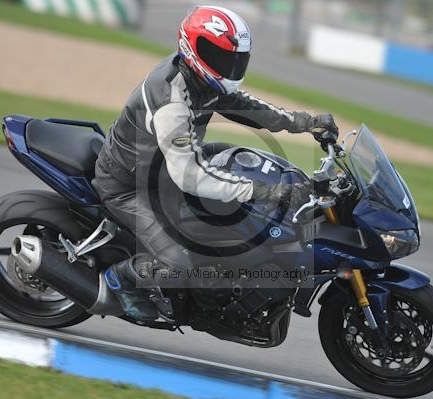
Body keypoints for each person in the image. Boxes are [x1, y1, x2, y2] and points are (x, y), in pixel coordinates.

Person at [92, 5, 338, 322]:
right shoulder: (172, 100)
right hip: (131, 185)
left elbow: (249, 107)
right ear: (193, 48)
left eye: (236, 59)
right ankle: (119, 281)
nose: (230, 66)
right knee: (179, 263)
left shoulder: (202, 79)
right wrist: (262, 192)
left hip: (165, 165)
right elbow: (190, 176)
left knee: (247, 162)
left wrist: (306, 122)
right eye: (222, 57)